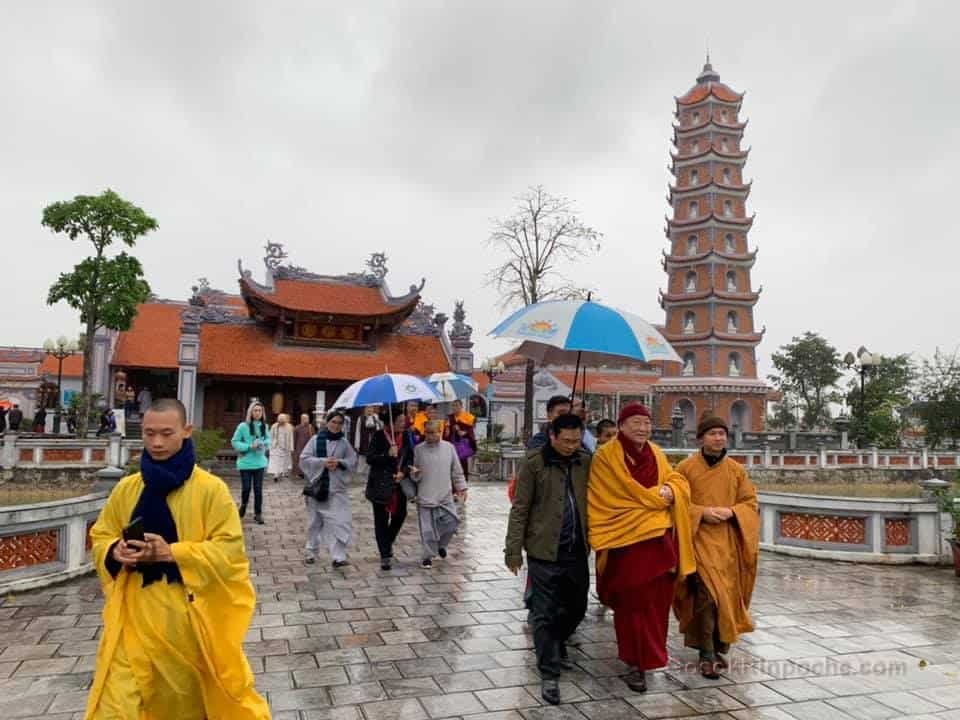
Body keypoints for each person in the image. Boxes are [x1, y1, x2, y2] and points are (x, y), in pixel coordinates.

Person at [84, 398, 270, 720]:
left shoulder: (211, 491)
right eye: (149, 433)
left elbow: (230, 552)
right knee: (116, 704)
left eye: (166, 433)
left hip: (185, 616)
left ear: (186, 431)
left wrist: (173, 552)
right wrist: (115, 550)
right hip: (134, 611)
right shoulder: (128, 488)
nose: (156, 442)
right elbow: (102, 534)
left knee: (183, 703)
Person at [588, 402, 695, 693]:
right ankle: (634, 663)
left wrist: (669, 491)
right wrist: (652, 500)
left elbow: (675, 480)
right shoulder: (605, 457)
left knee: (657, 605)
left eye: (646, 423)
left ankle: (651, 657)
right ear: (621, 425)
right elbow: (606, 499)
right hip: (624, 542)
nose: (642, 428)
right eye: (635, 422)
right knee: (631, 606)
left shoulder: (656, 453)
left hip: (658, 541)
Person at [505, 414, 591, 706]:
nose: (571, 446)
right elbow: (520, 508)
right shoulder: (533, 463)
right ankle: (549, 673)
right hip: (543, 550)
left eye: (576, 440)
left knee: (577, 607)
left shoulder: (585, 461)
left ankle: (556, 642)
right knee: (544, 613)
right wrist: (513, 550)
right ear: (552, 436)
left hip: (577, 549)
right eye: (566, 440)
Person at [673, 414, 760, 678]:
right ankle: (707, 654)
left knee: (726, 597)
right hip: (697, 541)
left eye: (722, 433)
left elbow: (750, 503)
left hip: (728, 544)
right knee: (706, 596)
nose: (718, 438)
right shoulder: (685, 469)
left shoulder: (736, 470)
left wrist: (733, 512)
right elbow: (676, 503)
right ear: (701, 438)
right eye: (712, 434)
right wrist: (701, 512)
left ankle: (719, 644)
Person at [299, 411, 358, 568]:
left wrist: (339, 463)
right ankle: (311, 551)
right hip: (318, 488)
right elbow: (304, 459)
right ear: (327, 422)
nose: (336, 426)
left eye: (340, 423)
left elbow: (352, 461)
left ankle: (339, 556)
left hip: (337, 489)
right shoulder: (316, 439)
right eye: (334, 422)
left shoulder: (344, 443)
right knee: (314, 523)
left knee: (341, 522)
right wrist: (322, 462)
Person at [409, 420, 467, 568]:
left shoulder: (449, 448)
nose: (429, 435)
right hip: (425, 496)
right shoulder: (418, 449)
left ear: (439, 432)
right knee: (427, 530)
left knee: (452, 524)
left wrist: (462, 488)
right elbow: (414, 474)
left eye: (432, 432)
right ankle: (427, 556)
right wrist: (415, 474)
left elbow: (457, 470)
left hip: (445, 495)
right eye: (427, 432)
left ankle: (441, 545)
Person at [366, 416, 409, 570]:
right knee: (381, 520)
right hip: (380, 484)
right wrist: (387, 454)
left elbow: (410, 457)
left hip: (399, 485)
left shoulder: (406, 435)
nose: (403, 424)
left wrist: (403, 472)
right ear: (389, 423)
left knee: (400, 515)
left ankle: (387, 542)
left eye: (404, 421)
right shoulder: (378, 436)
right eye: (399, 421)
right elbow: (369, 458)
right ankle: (384, 555)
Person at [231, 401, 270, 524]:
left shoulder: (265, 426)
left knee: (258, 489)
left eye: (259, 411)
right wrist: (249, 447)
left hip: (260, 462)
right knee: (246, 488)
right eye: (255, 410)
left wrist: (263, 444)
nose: (257, 413)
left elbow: (269, 440)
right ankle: (243, 506)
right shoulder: (243, 426)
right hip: (246, 462)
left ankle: (258, 513)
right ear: (251, 412)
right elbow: (235, 441)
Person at [446, 399, 478, 482]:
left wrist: (464, 433)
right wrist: (448, 428)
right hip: (452, 444)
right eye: (453, 405)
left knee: (462, 462)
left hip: (462, 445)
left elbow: (471, 430)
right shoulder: (450, 417)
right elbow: (446, 432)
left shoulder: (468, 417)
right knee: (451, 463)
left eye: (457, 405)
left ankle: (463, 482)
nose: (455, 407)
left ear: (461, 406)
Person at [267, 412, 294, 482]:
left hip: (285, 447)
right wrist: (269, 445)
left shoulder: (289, 427)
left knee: (283, 461)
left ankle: (281, 472)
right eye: (280, 420)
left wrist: (291, 447)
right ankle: (276, 474)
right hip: (275, 447)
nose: (281, 421)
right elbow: (270, 436)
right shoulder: (274, 426)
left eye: (283, 420)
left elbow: (291, 438)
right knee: (275, 461)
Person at [293, 412, 315, 478]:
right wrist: (294, 447)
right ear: (301, 419)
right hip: (299, 446)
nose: (306, 420)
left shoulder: (310, 427)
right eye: (304, 418)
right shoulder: (297, 427)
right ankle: (300, 473)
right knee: (299, 460)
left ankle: (307, 472)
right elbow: (294, 438)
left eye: (307, 418)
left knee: (308, 459)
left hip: (309, 445)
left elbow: (314, 436)